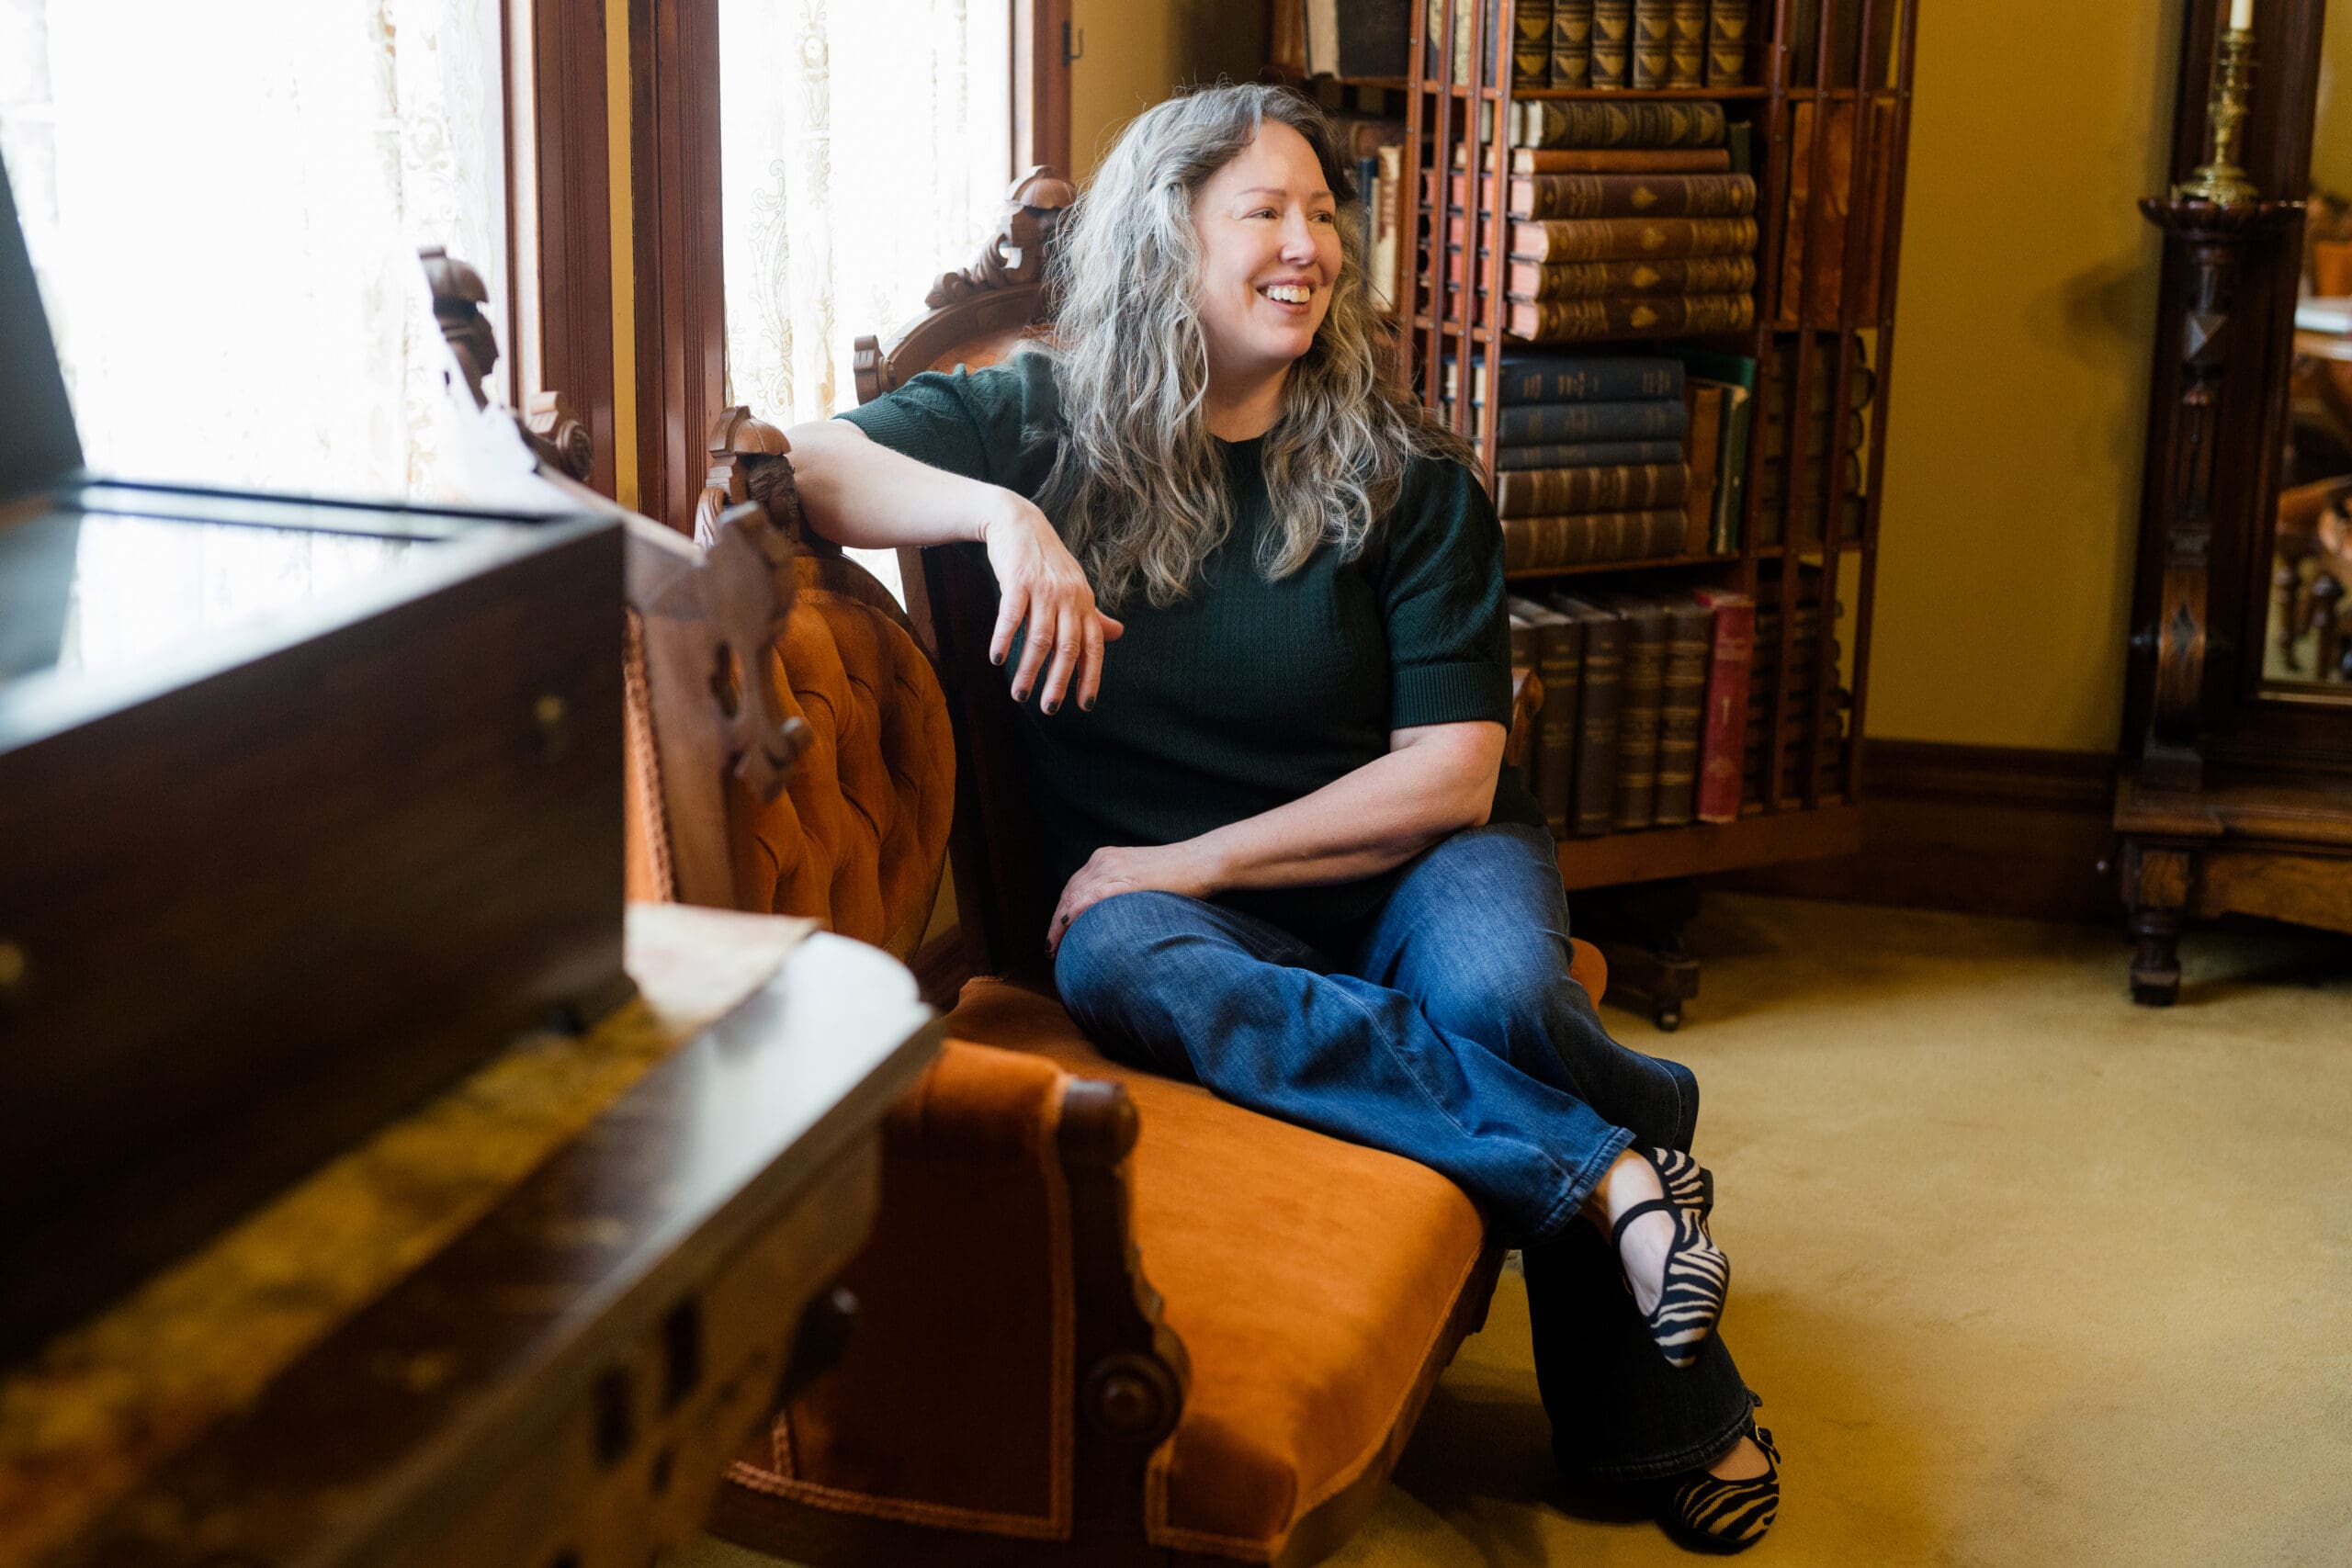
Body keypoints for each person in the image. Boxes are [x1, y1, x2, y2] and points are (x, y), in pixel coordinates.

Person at [783, 82, 1780, 1553]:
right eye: (1267, 211)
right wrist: (1004, 517)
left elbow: (1446, 773)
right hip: (1184, 921)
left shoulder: (1411, 471)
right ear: (1165, 239)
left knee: (1503, 995)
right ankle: (1618, 1151)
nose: (1310, 244)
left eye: (1324, 214)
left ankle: (1664, 1389)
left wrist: (1181, 857)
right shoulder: (1041, 421)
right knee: (1118, 957)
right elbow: (796, 458)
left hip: (1415, 858)